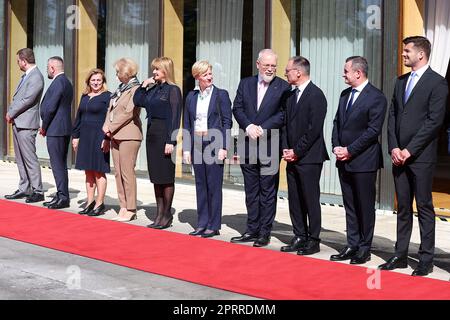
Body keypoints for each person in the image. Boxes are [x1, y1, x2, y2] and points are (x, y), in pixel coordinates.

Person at [379, 36, 448, 276]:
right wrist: (394, 148)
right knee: (404, 208)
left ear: (421, 54)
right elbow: (394, 117)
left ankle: (426, 259)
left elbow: (433, 122)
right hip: (399, 156)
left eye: (407, 51)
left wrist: (410, 150)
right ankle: (399, 255)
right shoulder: (400, 82)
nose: (403, 54)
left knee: (425, 208)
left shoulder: (437, 83)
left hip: (421, 158)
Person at [330, 56, 387, 265]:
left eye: (346, 71)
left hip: (364, 161)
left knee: (364, 206)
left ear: (358, 73)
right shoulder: (345, 94)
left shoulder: (376, 97)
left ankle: (364, 248)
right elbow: (337, 123)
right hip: (343, 159)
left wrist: (350, 150)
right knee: (350, 205)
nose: (343, 74)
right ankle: (351, 244)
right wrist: (336, 146)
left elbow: (373, 131)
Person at [231, 49, 289, 247]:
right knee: (251, 191)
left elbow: (283, 114)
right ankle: (251, 229)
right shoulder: (245, 83)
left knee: (267, 191)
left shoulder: (283, 87)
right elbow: (237, 108)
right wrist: (248, 126)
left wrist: (262, 128)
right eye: (267, 65)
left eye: (274, 66)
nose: (270, 69)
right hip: (248, 144)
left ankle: (264, 232)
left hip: (269, 145)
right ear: (258, 65)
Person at [280, 56, 329, 255]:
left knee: (310, 198)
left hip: (309, 157)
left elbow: (314, 129)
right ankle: (299, 235)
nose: (285, 73)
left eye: (288, 70)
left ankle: (313, 239)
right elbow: (285, 125)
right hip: (291, 156)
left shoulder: (316, 95)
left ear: (298, 72)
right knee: (295, 198)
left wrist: (297, 151)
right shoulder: (290, 96)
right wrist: (286, 148)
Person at [182, 61, 232, 238]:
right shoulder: (191, 97)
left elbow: (227, 122)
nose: (209, 76)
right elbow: (187, 123)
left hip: (214, 143)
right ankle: (202, 223)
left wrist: (224, 147)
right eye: (205, 74)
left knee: (214, 185)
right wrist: (186, 149)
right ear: (197, 77)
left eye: (210, 73)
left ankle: (214, 224)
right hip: (196, 143)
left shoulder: (221, 95)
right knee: (200, 185)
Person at [133, 57, 182, 229]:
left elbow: (175, 117)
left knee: (166, 177)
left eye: (157, 69)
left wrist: (171, 140)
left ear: (166, 70)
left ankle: (167, 214)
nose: (154, 72)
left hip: (165, 136)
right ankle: (159, 214)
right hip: (152, 135)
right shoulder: (154, 89)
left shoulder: (173, 90)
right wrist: (143, 85)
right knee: (156, 178)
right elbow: (137, 101)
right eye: (153, 69)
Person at [103, 58, 142, 222]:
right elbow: (110, 110)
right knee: (118, 172)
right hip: (115, 135)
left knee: (127, 172)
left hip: (129, 135)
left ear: (126, 72)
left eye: (118, 72)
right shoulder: (120, 89)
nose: (116, 75)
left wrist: (110, 127)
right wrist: (106, 128)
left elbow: (129, 113)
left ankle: (131, 208)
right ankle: (123, 206)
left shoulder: (135, 89)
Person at [5, 48, 45, 203]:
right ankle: (24, 188)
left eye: (18, 61)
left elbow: (27, 99)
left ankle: (38, 190)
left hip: (27, 124)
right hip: (19, 122)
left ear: (23, 60)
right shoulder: (27, 76)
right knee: (20, 159)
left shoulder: (36, 76)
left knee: (29, 158)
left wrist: (11, 112)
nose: (18, 64)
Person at [72, 69, 111, 216]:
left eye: (99, 80)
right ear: (88, 81)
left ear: (103, 82)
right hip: (85, 137)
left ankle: (100, 204)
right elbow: (78, 118)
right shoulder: (84, 96)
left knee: (98, 171)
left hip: (99, 137)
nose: (95, 83)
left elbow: (111, 119)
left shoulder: (108, 96)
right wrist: (75, 136)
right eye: (93, 80)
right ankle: (90, 202)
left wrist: (107, 138)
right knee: (88, 170)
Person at [39, 56, 74, 209]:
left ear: (52, 68)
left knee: (57, 164)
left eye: (48, 67)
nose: (47, 70)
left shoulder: (59, 82)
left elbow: (51, 107)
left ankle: (63, 197)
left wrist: (44, 126)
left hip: (56, 129)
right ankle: (61, 195)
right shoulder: (66, 82)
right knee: (59, 164)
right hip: (61, 128)